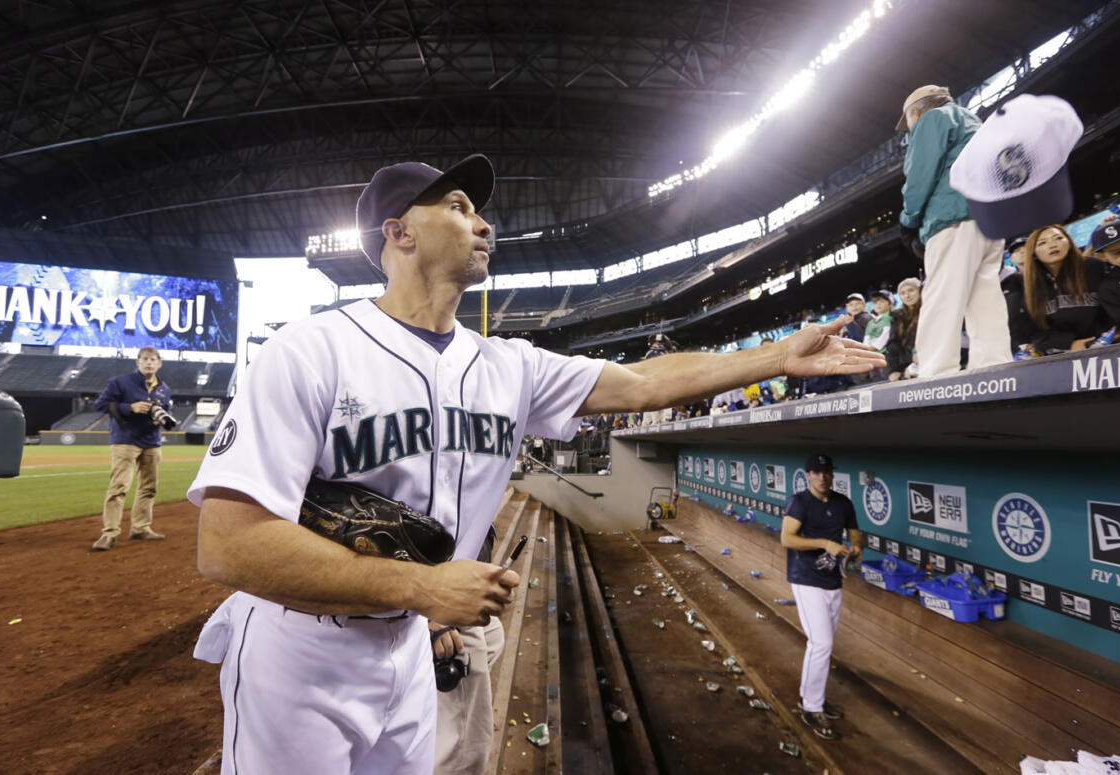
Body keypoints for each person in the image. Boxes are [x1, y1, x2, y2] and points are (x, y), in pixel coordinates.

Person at [187, 154, 885, 775]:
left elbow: (643, 383)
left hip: (408, 649)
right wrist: (423, 588)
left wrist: (774, 356)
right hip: (300, 650)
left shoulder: (509, 366)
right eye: (458, 208)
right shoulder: (311, 350)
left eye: (479, 210)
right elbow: (228, 542)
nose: (483, 223)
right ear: (398, 234)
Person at [895, 85, 1012, 377]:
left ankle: (935, 371)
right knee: (983, 294)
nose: (909, 126)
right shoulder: (974, 122)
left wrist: (909, 220)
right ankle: (993, 365)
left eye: (908, 121)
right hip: (988, 215)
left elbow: (920, 175)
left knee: (941, 294)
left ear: (916, 111)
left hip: (952, 216)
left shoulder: (933, 118)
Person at [780, 453, 862, 742]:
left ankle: (810, 697)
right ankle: (812, 708)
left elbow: (855, 533)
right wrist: (825, 543)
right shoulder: (799, 501)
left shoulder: (843, 503)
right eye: (816, 472)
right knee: (822, 643)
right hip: (806, 579)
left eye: (826, 471)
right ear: (808, 475)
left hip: (833, 580)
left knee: (821, 646)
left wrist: (854, 547)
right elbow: (787, 538)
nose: (822, 477)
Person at [432, 528, 504, 775]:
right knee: (465, 749)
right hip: (437, 601)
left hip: (462, 579)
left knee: (495, 634)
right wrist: (428, 616)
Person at [90, 346, 171, 551]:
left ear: (159, 363)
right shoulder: (120, 382)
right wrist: (130, 407)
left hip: (152, 441)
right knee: (119, 488)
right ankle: (109, 533)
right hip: (125, 440)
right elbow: (100, 405)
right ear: (138, 362)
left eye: (153, 359)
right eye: (145, 359)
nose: (149, 362)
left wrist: (158, 420)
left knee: (149, 488)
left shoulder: (164, 389)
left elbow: (166, 411)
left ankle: (141, 528)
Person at [1020, 225, 1112, 354]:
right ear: (1034, 253)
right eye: (1043, 243)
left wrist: (1108, 334)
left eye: (1058, 238)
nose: (1052, 245)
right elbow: (1035, 330)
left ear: (1069, 242)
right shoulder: (1030, 285)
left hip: (1106, 346)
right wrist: (1070, 344)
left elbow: (1115, 304)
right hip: (1062, 354)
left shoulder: (1094, 267)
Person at [885, 278, 922, 380]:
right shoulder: (897, 316)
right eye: (902, 293)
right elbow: (893, 345)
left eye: (911, 290)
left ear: (920, 291)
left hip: (925, 363)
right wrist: (892, 370)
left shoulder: (928, 310)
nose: (907, 295)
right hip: (904, 369)